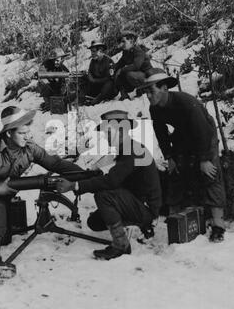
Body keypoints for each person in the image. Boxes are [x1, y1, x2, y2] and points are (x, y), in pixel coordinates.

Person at [0, 106, 83, 269]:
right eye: (22, 133)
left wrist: (85, 176)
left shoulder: (29, 147)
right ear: (9, 133)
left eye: (28, 132)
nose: (28, 136)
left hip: (3, 194)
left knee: (4, 237)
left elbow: (55, 164)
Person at [56, 110, 162, 260]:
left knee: (103, 195)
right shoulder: (127, 148)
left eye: (108, 131)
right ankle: (134, 225)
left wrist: (74, 186)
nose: (106, 136)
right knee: (95, 222)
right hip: (137, 201)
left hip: (146, 209)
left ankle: (121, 245)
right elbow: (118, 177)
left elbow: (112, 181)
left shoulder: (131, 150)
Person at [138, 68, 227, 243]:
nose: (148, 95)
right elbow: (161, 133)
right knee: (175, 171)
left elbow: (203, 132)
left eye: (152, 90)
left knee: (210, 173)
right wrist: (169, 157)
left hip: (205, 134)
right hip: (183, 135)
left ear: (164, 88)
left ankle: (218, 224)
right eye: (146, 92)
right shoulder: (155, 108)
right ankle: (173, 216)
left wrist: (204, 159)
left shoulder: (187, 104)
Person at [115, 31, 152, 100]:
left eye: (123, 41)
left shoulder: (138, 51)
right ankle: (125, 95)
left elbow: (136, 66)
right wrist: (113, 68)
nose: (121, 44)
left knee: (129, 74)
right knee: (119, 75)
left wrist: (121, 70)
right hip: (138, 76)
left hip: (148, 76)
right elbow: (120, 63)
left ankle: (144, 89)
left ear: (131, 41)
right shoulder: (126, 52)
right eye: (121, 42)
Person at [87, 41, 116, 105]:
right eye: (91, 51)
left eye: (94, 51)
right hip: (97, 86)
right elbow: (90, 72)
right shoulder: (93, 61)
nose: (92, 53)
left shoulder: (109, 61)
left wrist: (94, 80)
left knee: (109, 84)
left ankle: (95, 101)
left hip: (108, 89)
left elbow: (109, 78)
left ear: (100, 51)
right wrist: (90, 77)